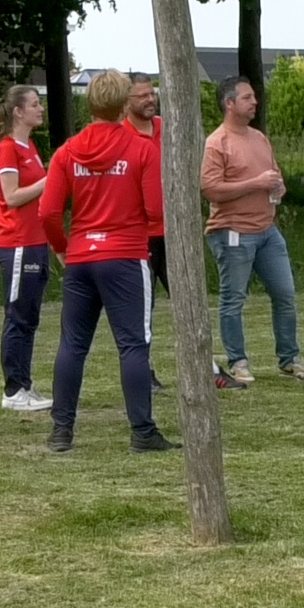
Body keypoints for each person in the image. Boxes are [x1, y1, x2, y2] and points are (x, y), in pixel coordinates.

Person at [39, 70, 180, 454]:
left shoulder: (68, 151)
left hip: (83, 255)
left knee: (72, 344)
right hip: (126, 255)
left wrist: (62, 247)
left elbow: (49, 211)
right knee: (134, 345)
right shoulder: (140, 149)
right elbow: (155, 208)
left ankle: (61, 431)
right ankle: (142, 431)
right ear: (123, 104)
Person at [200, 75, 304, 384]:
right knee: (233, 298)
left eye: (253, 97)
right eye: (247, 98)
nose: (255, 102)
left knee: (285, 293)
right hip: (232, 232)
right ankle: (237, 361)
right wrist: (256, 183)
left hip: (268, 230)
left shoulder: (259, 138)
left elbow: (272, 175)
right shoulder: (217, 143)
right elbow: (210, 189)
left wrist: (277, 186)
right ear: (229, 103)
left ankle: (290, 358)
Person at [0, 84, 54, 413]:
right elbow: (11, 197)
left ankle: (25, 383)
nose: (41, 109)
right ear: (18, 112)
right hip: (18, 243)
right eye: (35, 104)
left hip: (37, 240)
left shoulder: (30, 146)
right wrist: (50, 179)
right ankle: (13, 389)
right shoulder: (8, 149)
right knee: (17, 317)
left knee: (30, 317)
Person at [124, 72, 167, 391]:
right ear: (127, 102)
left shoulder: (166, 129)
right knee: (143, 307)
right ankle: (144, 370)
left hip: (172, 230)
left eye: (152, 94)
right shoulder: (121, 135)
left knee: (189, 298)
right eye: (143, 96)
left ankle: (205, 364)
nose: (150, 100)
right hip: (139, 234)